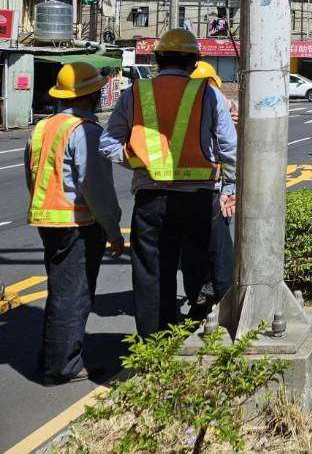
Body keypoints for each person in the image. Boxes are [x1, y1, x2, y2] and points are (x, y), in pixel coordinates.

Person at [99, 29, 237, 337]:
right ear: (193, 62)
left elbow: (108, 144)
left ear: (158, 60)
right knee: (205, 265)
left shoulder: (135, 92)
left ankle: (155, 343)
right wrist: (229, 187)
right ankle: (210, 330)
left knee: (151, 273)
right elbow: (229, 146)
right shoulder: (208, 93)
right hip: (200, 197)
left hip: (151, 198)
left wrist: (141, 162)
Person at [26, 62, 124, 385]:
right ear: (92, 96)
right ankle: (62, 366)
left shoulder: (42, 128)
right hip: (77, 223)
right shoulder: (86, 132)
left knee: (60, 291)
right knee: (74, 295)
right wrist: (113, 231)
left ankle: (51, 356)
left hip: (48, 220)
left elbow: (33, 175)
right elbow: (97, 190)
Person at [180, 60, 236, 320]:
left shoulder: (180, 104)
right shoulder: (214, 100)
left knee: (192, 250)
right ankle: (224, 305)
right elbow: (229, 147)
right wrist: (230, 186)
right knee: (220, 251)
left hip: (177, 190)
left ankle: (199, 300)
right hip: (212, 187)